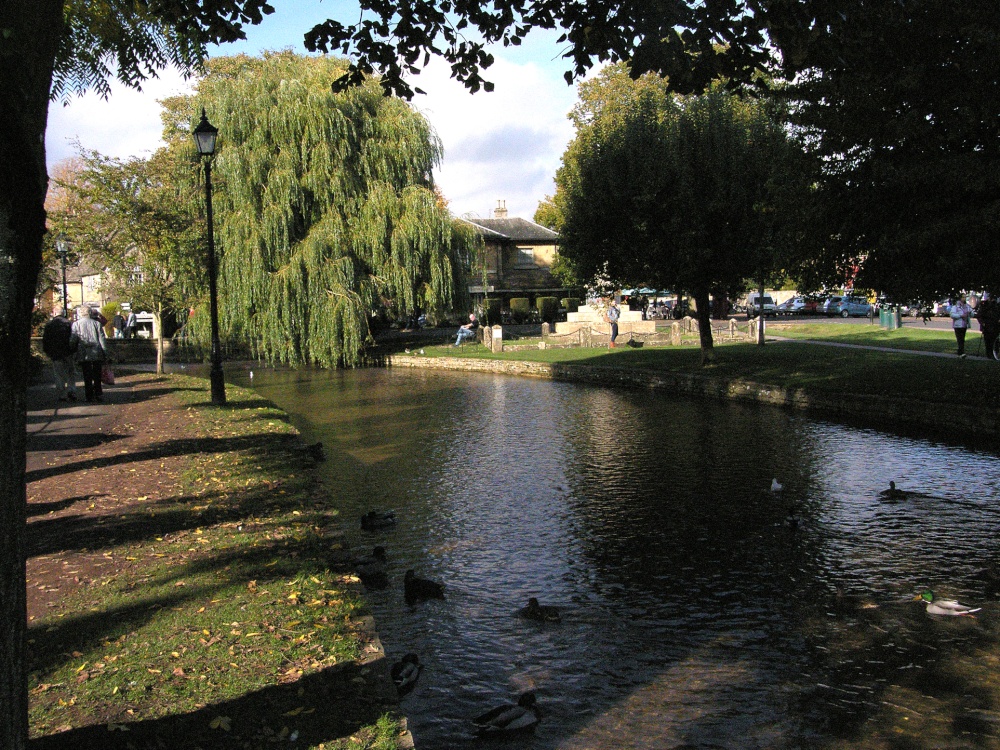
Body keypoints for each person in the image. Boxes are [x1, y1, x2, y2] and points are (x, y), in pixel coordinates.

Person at [71, 305, 108, 402]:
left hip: (83, 352)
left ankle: (89, 395)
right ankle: (98, 394)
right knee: (97, 374)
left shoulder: (76, 324)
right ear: (90, 313)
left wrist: (72, 350)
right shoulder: (96, 324)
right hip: (96, 352)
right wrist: (105, 352)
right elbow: (102, 339)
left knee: (86, 375)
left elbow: (73, 340)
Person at [41, 315, 78, 402]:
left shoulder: (49, 325)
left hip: (55, 353)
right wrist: (74, 350)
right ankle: (71, 390)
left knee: (59, 374)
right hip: (68, 352)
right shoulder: (69, 324)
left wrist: (47, 352)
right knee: (70, 372)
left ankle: (62, 394)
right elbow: (74, 338)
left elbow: (45, 340)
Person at [950, 293, 972, 358]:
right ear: (960, 298)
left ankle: (961, 352)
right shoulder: (955, 307)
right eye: (963, 297)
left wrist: (970, 312)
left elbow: (972, 314)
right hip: (958, 325)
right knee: (960, 339)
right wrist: (960, 315)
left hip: (964, 325)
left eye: (965, 297)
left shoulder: (967, 306)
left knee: (962, 339)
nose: (964, 299)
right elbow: (952, 315)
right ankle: (961, 352)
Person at [978, 292, 999, 360]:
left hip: (996, 325)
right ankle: (989, 354)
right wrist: (982, 323)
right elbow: (980, 315)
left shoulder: (996, 305)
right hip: (987, 325)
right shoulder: (984, 305)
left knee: (995, 340)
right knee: (988, 341)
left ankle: (994, 353)